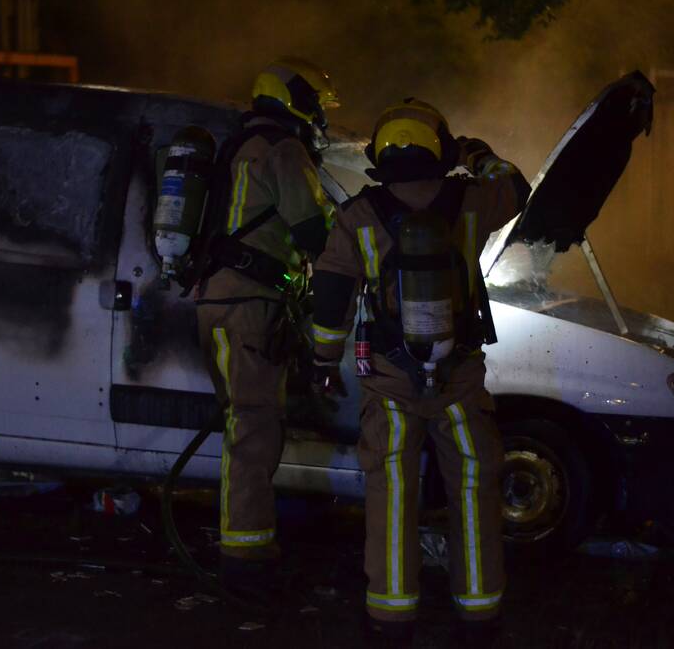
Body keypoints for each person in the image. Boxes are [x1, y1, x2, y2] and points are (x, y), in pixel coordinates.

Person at [310, 99, 530, 644]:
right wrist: (477, 155)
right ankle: (480, 611)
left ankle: (390, 616)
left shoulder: (358, 215)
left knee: (392, 490)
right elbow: (518, 186)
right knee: (474, 485)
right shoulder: (474, 201)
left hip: (388, 382)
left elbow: (331, 296)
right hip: (458, 381)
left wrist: (322, 362)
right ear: (440, 147)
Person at [195, 58, 339, 586]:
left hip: (219, 302)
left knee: (244, 421)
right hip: (247, 307)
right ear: (297, 100)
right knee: (253, 427)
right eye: (318, 103)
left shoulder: (239, 144)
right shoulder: (283, 149)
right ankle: (245, 555)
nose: (321, 114)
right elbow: (315, 230)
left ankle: (247, 539)